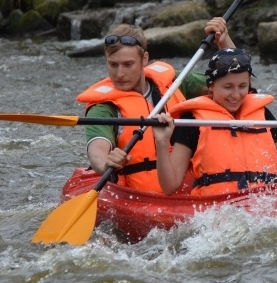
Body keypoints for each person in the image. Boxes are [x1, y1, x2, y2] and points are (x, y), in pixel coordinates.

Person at [78, 18, 235, 193]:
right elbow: (97, 148)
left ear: (144, 59)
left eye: (128, 64)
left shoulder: (174, 81)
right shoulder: (104, 106)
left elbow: (234, 83)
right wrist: (105, 163)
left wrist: (224, 43)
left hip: (193, 188)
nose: (120, 73)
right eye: (113, 65)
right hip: (142, 195)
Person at [153, 48, 277, 196]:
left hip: (265, 205)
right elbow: (170, 186)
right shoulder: (192, 120)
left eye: (242, 86)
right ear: (211, 87)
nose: (236, 95)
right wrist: (161, 143)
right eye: (228, 87)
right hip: (217, 210)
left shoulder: (262, 115)